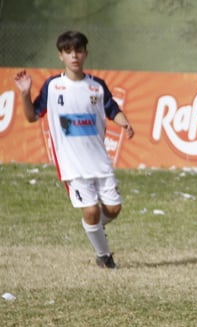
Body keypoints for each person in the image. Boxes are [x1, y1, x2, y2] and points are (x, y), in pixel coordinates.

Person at [14, 31, 134, 270]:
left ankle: (94, 229)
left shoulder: (97, 86)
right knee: (90, 211)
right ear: (61, 56)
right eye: (68, 52)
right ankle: (104, 256)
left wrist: (125, 122)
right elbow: (31, 116)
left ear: (85, 54)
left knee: (113, 209)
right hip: (72, 164)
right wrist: (25, 94)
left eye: (78, 51)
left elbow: (112, 109)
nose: (74, 56)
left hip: (99, 162)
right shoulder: (53, 86)